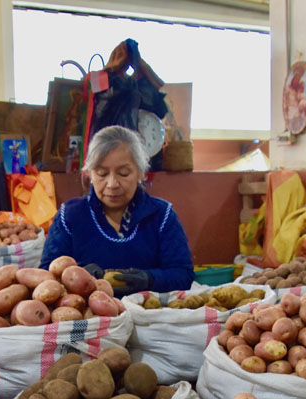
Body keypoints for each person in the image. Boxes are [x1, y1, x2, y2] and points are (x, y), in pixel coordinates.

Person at [40, 125, 194, 296]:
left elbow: (183, 275)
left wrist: (149, 279)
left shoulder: (162, 215)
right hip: (89, 319)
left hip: (149, 317)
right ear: (90, 174)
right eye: (102, 173)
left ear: (140, 173)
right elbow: (46, 277)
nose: (112, 184)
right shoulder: (69, 216)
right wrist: (78, 275)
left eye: (123, 173)